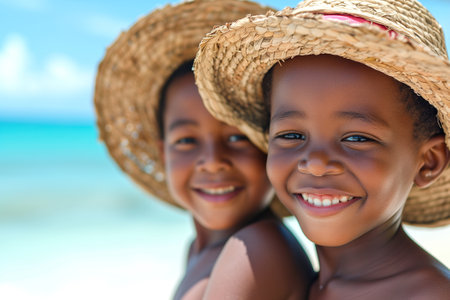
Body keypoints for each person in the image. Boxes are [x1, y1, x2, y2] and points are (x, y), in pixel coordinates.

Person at [194, 0, 450, 298]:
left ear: (428, 162)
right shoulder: (297, 282)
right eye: (291, 135)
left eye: (356, 138)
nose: (314, 163)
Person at [94, 1, 315, 299]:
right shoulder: (202, 250)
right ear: (163, 154)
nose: (212, 162)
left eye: (237, 138)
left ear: (269, 145)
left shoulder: (256, 248)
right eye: (186, 141)